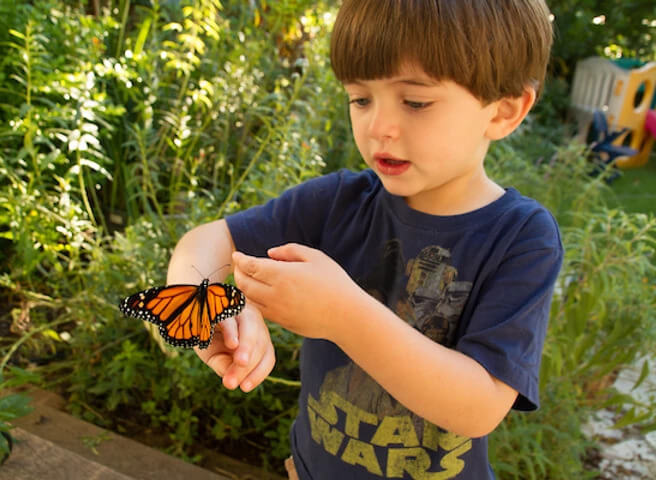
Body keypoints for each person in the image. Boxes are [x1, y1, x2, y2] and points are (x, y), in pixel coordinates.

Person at [164, 0, 562, 478]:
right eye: (360, 98)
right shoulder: (338, 202)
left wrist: (342, 315)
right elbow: (206, 242)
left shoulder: (520, 237)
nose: (378, 127)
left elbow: (478, 407)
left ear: (503, 111)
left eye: (415, 102)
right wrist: (202, 303)